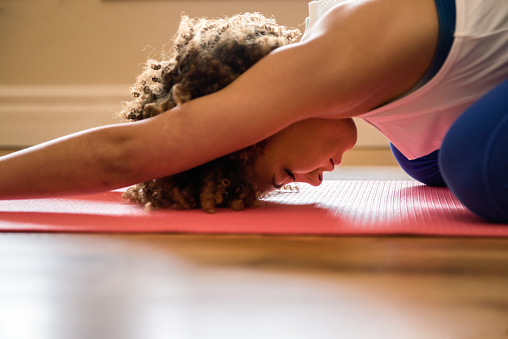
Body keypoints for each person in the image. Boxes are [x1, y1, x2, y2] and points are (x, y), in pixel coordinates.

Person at [0, 0, 507, 222]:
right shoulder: (337, 62)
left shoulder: (329, 61)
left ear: (254, 126)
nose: (313, 182)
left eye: (284, 174)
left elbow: (125, 157)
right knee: (420, 159)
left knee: (472, 165)